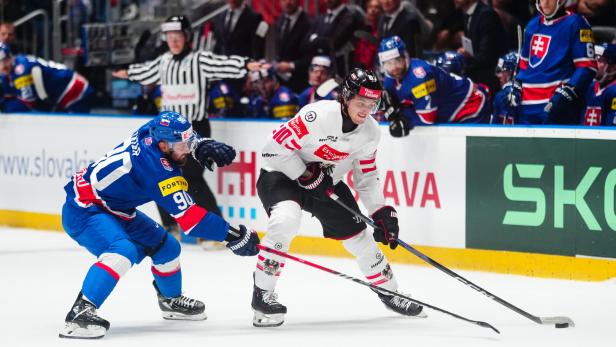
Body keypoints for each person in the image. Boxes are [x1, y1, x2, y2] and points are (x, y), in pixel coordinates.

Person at [59, 110, 260, 339]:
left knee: (168, 247)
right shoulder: (157, 170)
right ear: (164, 146)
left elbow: (182, 136)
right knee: (122, 251)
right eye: (182, 145)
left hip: (114, 208)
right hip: (84, 210)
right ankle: (80, 312)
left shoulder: (153, 129)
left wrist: (201, 143)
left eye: (188, 140)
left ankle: (171, 301)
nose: (188, 147)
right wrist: (234, 235)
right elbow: (192, 221)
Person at [251, 68, 426, 327]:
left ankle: (390, 291)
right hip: (281, 175)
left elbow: (366, 177)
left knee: (360, 236)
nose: (366, 110)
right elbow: (272, 149)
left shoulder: (371, 132)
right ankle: (262, 294)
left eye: (372, 103)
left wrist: (381, 212)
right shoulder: (317, 115)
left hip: (324, 182)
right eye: (361, 102)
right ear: (346, 97)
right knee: (286, 220)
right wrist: (303, 173)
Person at [112, 15, 262, 237]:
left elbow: (223, 65)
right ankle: (170, 227)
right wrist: (126, 72)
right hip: (165, 133)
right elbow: (145, 71)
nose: (173, 41)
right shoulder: (163, 62)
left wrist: (245, 64)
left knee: (192, 178)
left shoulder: (199, 60)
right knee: (160, 176)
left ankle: (215, 228)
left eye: (178, 36)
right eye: (169, 36)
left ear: (187, 37)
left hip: (194, 129)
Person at [506, 0, 597, 124]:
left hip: (555, 104)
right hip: (526, 106)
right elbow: (524, 66)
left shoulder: (576, 23)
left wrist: (568, 92)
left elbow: (587, 66)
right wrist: (516, 85)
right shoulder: (532, 25)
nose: (546, 2)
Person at [379, 36, 490, 137]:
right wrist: (392, 114)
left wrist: (401, 115)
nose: (393, 68)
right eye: (388, 63)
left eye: (397, 61)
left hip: (471, 106)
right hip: (448, 109)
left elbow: (427, 119)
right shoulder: (390, 79)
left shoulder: (420, 78)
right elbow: (392, 107)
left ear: (405, 57)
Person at [0, 43, 94, 113]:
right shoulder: (7, 73)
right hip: (60, 94)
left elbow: (28, 104)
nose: (2, 66)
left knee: (76, 132)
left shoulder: (21, 69)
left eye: (5, 60)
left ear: (11, 57)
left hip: (75, 90)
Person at [454, 0, 506, 93]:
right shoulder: (468, 14)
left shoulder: (486, 15)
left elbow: (487, 55)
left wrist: (467, 57)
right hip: (476, 70)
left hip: (489, 77)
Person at [273, 0, 313, 93]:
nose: (288, 2)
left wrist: (292, 65)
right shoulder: (280, 19)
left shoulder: (308, 22)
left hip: (301, 81)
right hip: (281, 80)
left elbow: (311, 56)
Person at [581, 43, 616, 126]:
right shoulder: (587, 87)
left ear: (613, 67)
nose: (595, 63)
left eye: (599, 59)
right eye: (594, 58)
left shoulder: (613, 92)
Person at [492, 51, 519, 124]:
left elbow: (504, 129)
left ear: (511, 73)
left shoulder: (502, 96)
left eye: (504, 71)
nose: (499, 75)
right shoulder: (529, 91)